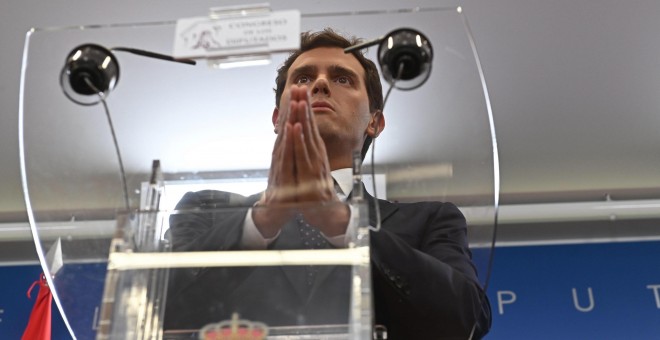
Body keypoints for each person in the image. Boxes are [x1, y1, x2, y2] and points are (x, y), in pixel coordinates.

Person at [164, 28, 491, 339]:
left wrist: (344, 224)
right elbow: (156, 309)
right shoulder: (207, 209)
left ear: (375, 122)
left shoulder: (431, 220)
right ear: (278, 118)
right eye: (304, 78)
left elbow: (466, 321)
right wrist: (261, 220)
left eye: (342, 78)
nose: (319, 84)